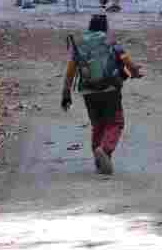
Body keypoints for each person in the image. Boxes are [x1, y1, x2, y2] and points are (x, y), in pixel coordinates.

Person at [61, 14, 143, 175]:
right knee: (115, 122)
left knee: (98, 124)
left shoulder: (80, 43)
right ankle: (104, 150)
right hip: (110, 88)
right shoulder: (109, 40)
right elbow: (125, 58)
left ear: (90, 26)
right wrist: (134, 72)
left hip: (88, 90)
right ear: (105, 27)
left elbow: (71, 70)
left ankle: (99, 160)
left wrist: (66, 92)